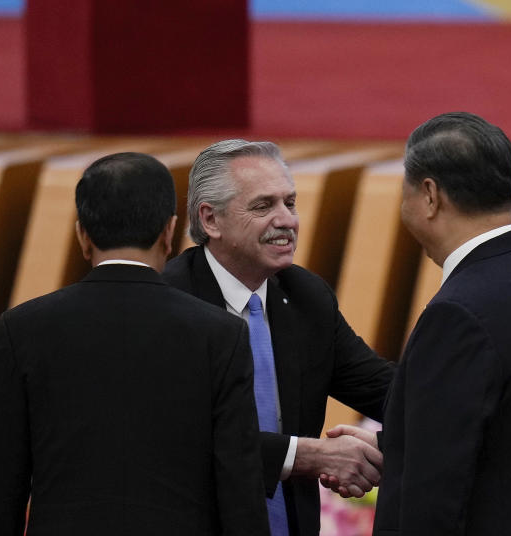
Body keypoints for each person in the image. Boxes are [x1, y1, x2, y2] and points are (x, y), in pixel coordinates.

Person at [0, 152, 268, 536]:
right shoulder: (220, 333)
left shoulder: (23, 328)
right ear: (169, 232)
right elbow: (240, 487)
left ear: (82, 234)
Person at [330, 112, 511, 534]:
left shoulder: (457, 313)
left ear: (430, 195)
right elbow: (508, 435)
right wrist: (397, 444)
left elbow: (433, 501)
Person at [163, 139, 394, 536]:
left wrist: (391, 443)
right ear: (210, 220)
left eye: (290, 202)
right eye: (263, 205)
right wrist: (306, 455)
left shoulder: (306, 296)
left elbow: (384, 389)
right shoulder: (169, 304)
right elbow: (178, 438)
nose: (286, 220)